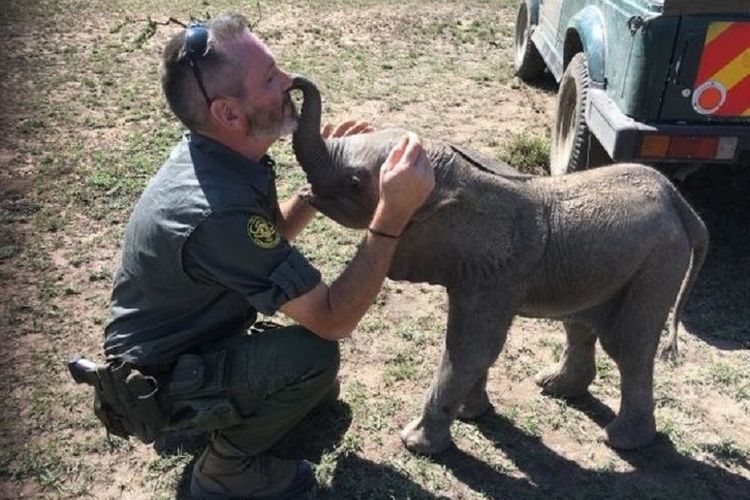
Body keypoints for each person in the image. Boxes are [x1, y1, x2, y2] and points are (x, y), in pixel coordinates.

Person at [101, 11, 435, 500]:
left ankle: (217, 411)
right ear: (229, 114)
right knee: (313, 357)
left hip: (182, 345)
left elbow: (268, 232)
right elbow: (332, 318)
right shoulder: (216, 210)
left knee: (318, 390)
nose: (290, 82)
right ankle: (223, 474)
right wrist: (392, 214)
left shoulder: (222, 157)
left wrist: (320, 184)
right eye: (271, 78)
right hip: (154, 379)